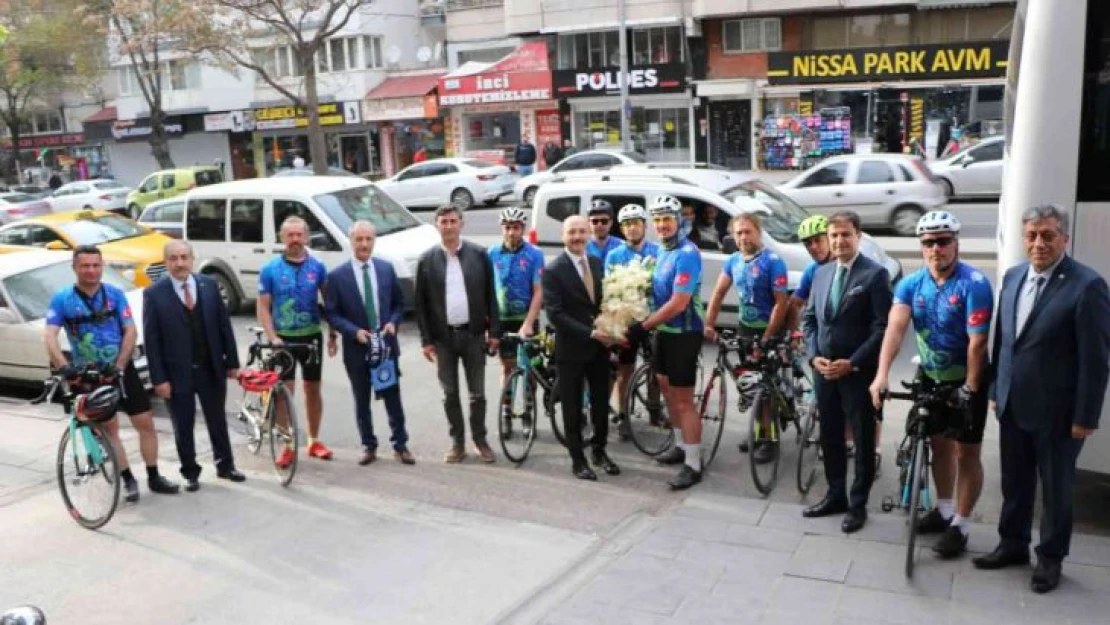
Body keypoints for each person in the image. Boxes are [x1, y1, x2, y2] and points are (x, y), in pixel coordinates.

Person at [975, 204, 1110, 594]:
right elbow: (1004, 341)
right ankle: (1012, 545)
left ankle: (1050, 558)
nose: (1038, 243)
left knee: (1055, 489)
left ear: (1064, 239)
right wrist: (996, 391)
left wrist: (1086, 416)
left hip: (1060, 414)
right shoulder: (1014, 277)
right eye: (1032, 235)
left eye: (1048, 235)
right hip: (1013, 405)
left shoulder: (1087, 286)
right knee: (1015, 483)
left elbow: (1096, 360)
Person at [869, 212, 993, 559]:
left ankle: (962, 526)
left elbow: (977, 343)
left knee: (966, 452)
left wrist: (969, 388)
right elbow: (895, 329)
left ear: (956, 243)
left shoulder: (974, 283)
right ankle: (943, 509)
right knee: (938, 446)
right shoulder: (911, 284)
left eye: (943, 241)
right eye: (928, 242)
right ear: (920, 247)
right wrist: (881, 375)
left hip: (969, 377)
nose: (935, 248)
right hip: (931, 376)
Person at [44, 245, 180, 502]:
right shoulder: (62, 299)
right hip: (88, 376)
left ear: (102, 265)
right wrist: (64, 366)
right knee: (110, 430)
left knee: (146, 424)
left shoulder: (115, 295)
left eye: (96, 265)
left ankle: (154, 476)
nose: (91, 270)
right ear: (75, 268)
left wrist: (119, 365)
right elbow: (49, 335)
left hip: (120, 370)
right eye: (85, 265)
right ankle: (127, 478)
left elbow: (130, 331)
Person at [801, 211, 891, 533]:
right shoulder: (822, 273)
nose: (839, 241)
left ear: (858, 236)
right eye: (834, 235)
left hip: (856, 373)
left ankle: (857, 505)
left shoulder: (875, 276)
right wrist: (813, 358)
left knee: (863, 439)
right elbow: (809, 320)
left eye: (845, 235)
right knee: (830, 435)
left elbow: (882, 328)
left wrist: (853, 362)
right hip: (824, 372)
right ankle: (835, 494)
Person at [144, 240, 245, 491]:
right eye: (174, 258)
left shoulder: (208, 286)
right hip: (177, 373)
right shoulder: (155, 294)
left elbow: (224, 327)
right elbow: (152, 341)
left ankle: (225, 465)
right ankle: (190, 472)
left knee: (217, 419)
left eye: (184, 257)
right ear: (166, 262)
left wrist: (232, 362)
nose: (179, 263)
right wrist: (159, 379)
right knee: (184, 424)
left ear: (192, 259)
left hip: (211, 367)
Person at [626, 194, 707, 490]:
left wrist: (644, 325)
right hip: (662, 332)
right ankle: (681, 444)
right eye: (657, 220)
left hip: (684, 333)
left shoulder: (687, 253)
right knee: (667, 391)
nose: (662, 225)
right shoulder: (660, 250)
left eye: (667, 219)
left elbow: (679, 301)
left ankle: (694, 463)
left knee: (684, 400)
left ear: (679, 220)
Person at [414, 205, 501, 464]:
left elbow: (491, 297)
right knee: (449, 394)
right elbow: (421, 305)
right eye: (444, 222)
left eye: (453, 221)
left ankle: (480, 439)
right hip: (443, 340)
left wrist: (493, 332)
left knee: (478, 394)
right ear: (436, 225)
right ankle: (457, 442)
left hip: (473, 335)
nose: (449, 226)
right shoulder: (426, 260)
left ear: (461, 224)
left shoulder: (478, 254)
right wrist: (426, 341)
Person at [325, 221, 414, 466]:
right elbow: (332, 314)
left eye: (368, 239)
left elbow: (398, 304)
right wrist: (353, 332)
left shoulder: (386, 269)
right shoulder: (337, 276)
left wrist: (393, 323)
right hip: (357, 348)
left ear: (374, 241)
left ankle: (401, 444)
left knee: (392, 395)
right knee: (361, 398)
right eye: (359, 239)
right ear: (351, 241)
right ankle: (368, 445)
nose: (364, 244)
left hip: (385, 345)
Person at [704, 213, 789, 464]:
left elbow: (780, 303)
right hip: (745, 329)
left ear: (758, 232)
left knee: (765, 390)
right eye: (738, 233)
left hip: (768, 331)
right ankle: (757, 430)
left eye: (747, 232)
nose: (743, 237)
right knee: (750, 387)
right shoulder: (733, 261)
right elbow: (719, 292)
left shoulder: (774, 262)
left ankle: (770, 440)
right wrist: (709, 324)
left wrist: (767, 337)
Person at [543, 216, 621, 480]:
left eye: (581, 231)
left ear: (589, 234)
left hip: (599, 349)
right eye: (571, 232)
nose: (577, 236)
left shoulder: (597, 263)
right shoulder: (554, 270)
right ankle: (578, 459)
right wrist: (590, 333)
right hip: (571, 350)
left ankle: (599, 450)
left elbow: (603, 302)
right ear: (563, 235)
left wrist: (614, 326)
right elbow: (555, 314)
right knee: (573, 407)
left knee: (600, 403)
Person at [258, 216, 336, 468]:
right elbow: (263, 307)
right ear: (282, 238)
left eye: (298, 235)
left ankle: (314, 440)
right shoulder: (270, 269)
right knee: (284, 394)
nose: (294, 239)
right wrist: (272, 337)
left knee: (313, 389)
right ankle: (287, 445)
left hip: (312, 335)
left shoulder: (318, 267)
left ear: (306, 237)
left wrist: (332, 333)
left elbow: (329, 304)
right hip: (283, 340)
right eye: (289, 235)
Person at [605, 204, 661, 440]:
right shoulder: (615, 254)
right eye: (627, 224)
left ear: (644, 226)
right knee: (624, 370)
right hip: (627, 321)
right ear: (622, 229)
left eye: (636, 223)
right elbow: (610, 288)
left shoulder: (657, 251)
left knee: (657, 369)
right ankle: (624, 415)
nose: (632, 228)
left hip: (654, 318)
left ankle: (655, 412)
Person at [489, 207, 545, 437]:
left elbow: (539, 291)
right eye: (508, 228)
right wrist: (489, 325)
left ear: (522, 229)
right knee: (507, 367)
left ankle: (528, 413)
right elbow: (487, 291)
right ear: (502, 229)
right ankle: (507, 412)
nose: (512, 232)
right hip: (502, 319)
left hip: (527, 317)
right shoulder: (492, 253)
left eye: (516, 228)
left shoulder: (534, 254)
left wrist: (529, 323)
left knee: (530, 368)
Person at [586, 199, 622, 264]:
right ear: (588, 223)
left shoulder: (621, 245)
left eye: (604, 221)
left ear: (611, 223)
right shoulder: (583, 246)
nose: (599, 225)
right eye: (595, 221)